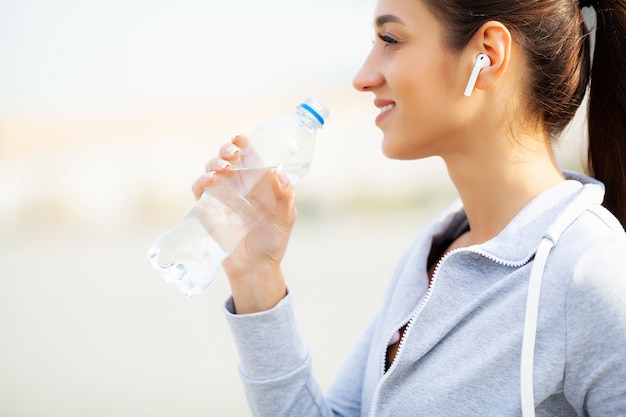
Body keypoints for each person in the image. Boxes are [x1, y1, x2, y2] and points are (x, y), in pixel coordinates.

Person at [191, 0, 626, 415]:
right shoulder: (432, 253)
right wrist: (257, 279)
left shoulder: (591, 271)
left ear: (487, 56)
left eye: (390, 39)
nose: (363, 77)